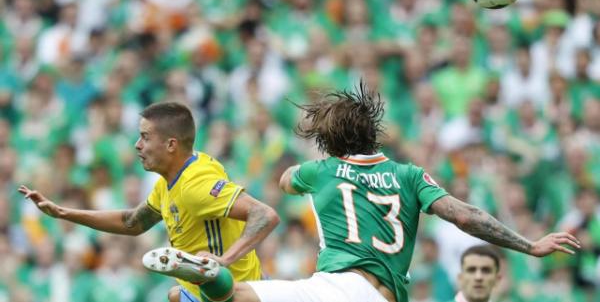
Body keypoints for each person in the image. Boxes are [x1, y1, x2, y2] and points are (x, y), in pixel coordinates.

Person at [143, 84, 580, 302]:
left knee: (242, 295)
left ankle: (203, 271)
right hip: (382, 294)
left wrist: (316, 166)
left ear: (329, 141)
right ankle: (200, 277)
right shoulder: (411, 175)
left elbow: (286, 180)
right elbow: (466, 216)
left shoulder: (320, 171)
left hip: (336, 288)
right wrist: (530, 244)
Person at [18, 101, 280, 302]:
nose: (137, 145)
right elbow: (133, 222)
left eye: (145, 137)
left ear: (171, 145)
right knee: (174, 295)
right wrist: (63, 213)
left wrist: (223, 261)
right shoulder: (169, 182)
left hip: (232, 294)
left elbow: (265, 215)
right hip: (207, 294)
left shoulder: (195, 185)